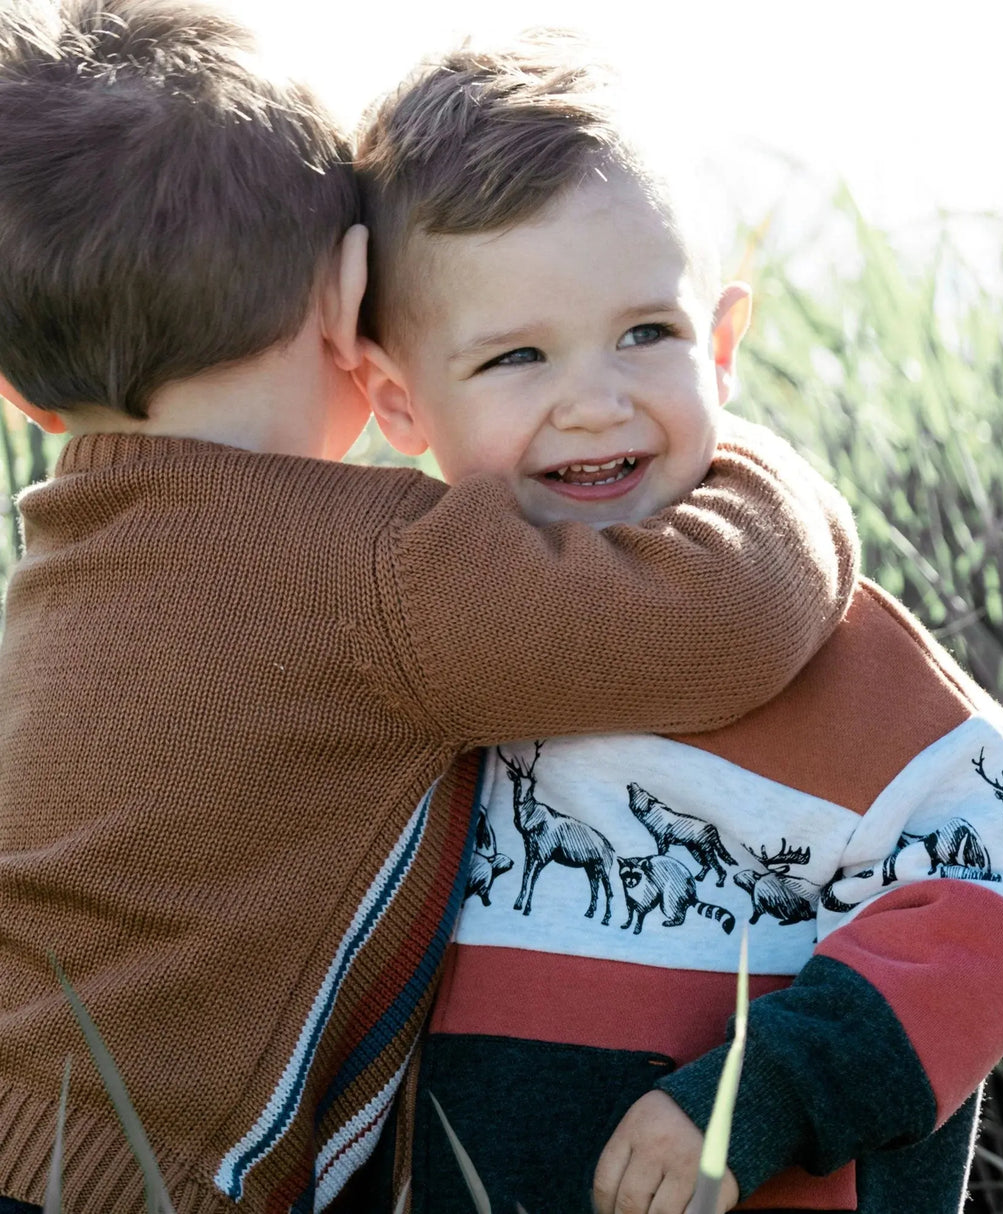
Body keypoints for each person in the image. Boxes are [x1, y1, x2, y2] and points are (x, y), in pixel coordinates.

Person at [0, 6, 859, 1214]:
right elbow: (723, 616)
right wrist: (749, 450)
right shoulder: (371, 571)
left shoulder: (67, 548)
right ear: (350, 296)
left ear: (22, 393)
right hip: (139, 1183)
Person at [352, 35, 1003, 1214]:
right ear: (396, 400)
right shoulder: (423, 651)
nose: (595, 398)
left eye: (647, 332)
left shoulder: (835, 662)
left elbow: (1002, 903)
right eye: (517, 356)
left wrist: (759, 1092)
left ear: (723, 342)